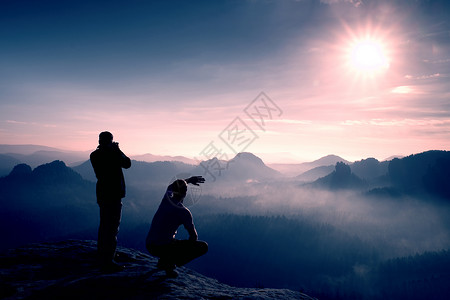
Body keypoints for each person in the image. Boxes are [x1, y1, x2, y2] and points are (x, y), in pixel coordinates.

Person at [146, 177, 208, 277]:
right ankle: (169, 262)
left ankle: (165, 260)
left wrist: (188, 180)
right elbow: (193, 237)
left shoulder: (166, 199)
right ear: (185, 193)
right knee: (203, 246)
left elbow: (171, 186)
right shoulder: (184, 212)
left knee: (171, 242)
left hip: (149, 245)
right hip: (164, 247)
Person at [90, 131, 131, 272]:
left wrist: (114, 150)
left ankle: (105, 254)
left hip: (102, 194)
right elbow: (127, 163)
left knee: (104, 226)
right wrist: (118, 150)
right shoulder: (112, 154)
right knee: (112, 227)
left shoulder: (94, 155)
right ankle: (108, 260)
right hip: (113, 194)